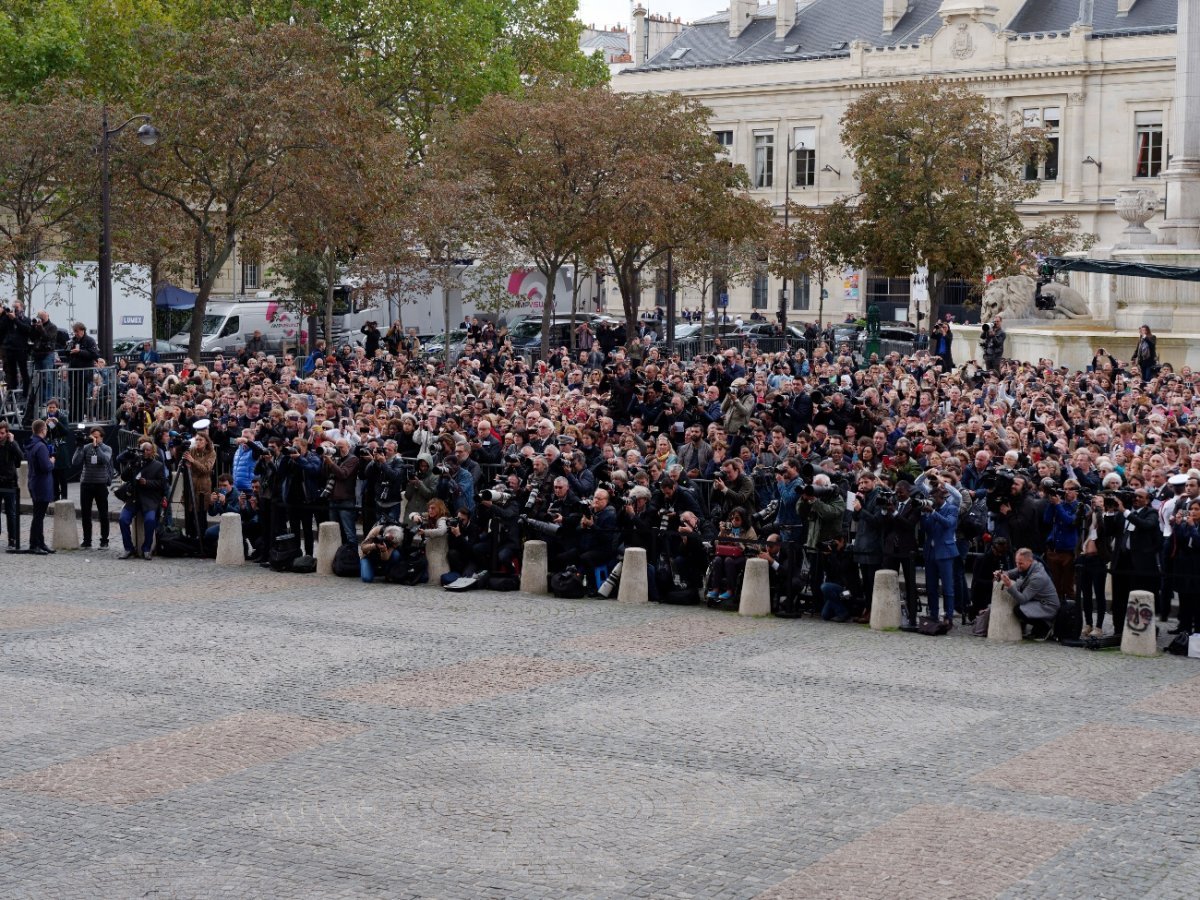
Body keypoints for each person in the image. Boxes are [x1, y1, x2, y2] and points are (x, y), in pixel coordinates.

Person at [116, 440, 168, 560]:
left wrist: (147, 482)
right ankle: (128, 548)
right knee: (123, 519)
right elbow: (124, 476)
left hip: (150, 500)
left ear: (152, 451)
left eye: (147, 450)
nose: (145, 452)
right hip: (134, 499)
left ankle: (146, 549)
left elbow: (162, 484)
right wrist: (131, 465)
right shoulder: (135, 462)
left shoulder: (158, 465)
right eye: (143, 449)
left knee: (150, 521)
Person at [997, 547, 1061, 639]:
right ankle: (1037, 627)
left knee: (1019, 610)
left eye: (1020, 563)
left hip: (1048, 607)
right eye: (1016, 563)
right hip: (1038, 602)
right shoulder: (1027, 567)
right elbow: (1011, 573)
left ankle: (1045, 626)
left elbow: (1022, 599)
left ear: (1030, 561)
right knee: (1019, 607)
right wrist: (1001, 574)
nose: (1018, 566)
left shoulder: (1038, 577)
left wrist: (1009, 586)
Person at [72, 426, 114, 549]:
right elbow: (75, 462)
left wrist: (97, 447)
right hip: (86, 483)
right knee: (85, 514)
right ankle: (87, 540)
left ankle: (104, 540)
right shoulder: (86, 448)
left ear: (101, 437)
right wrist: (79, 447)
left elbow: (105, 460)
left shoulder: (107, 448)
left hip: (100, 484)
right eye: (93, 437)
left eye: (97, 437)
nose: (94, 439)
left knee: (103, 514)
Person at [24, 418, 55, 556]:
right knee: (38, 516)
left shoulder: (32, 443)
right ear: (43, 430)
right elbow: (45, 466)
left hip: (34, 482)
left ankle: (40, 542)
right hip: (41, 484)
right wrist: (52, 461)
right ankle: (34, 543)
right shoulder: (41, 446)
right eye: (46, 429)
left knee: (39, 515)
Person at [0, 420, 23, 552]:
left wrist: (13, 442)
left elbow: (20, 457)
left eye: (2, 433)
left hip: (9, 482)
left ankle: (12, 539)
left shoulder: (11, 444)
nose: (0, 436)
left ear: (7, 433)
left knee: (11, 513)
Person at [0, 300, 32, 394]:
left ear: (21, 307)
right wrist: (4, 315)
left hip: (21, 349)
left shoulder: (26, 319)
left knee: (23, 371)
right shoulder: (7, 319)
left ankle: (26, 393)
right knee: (11, 373)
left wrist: (15, 319)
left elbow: (26, 329)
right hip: (10, 349)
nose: (14, 309)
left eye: (16, 307)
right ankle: (11, 393)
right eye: (13, 307)